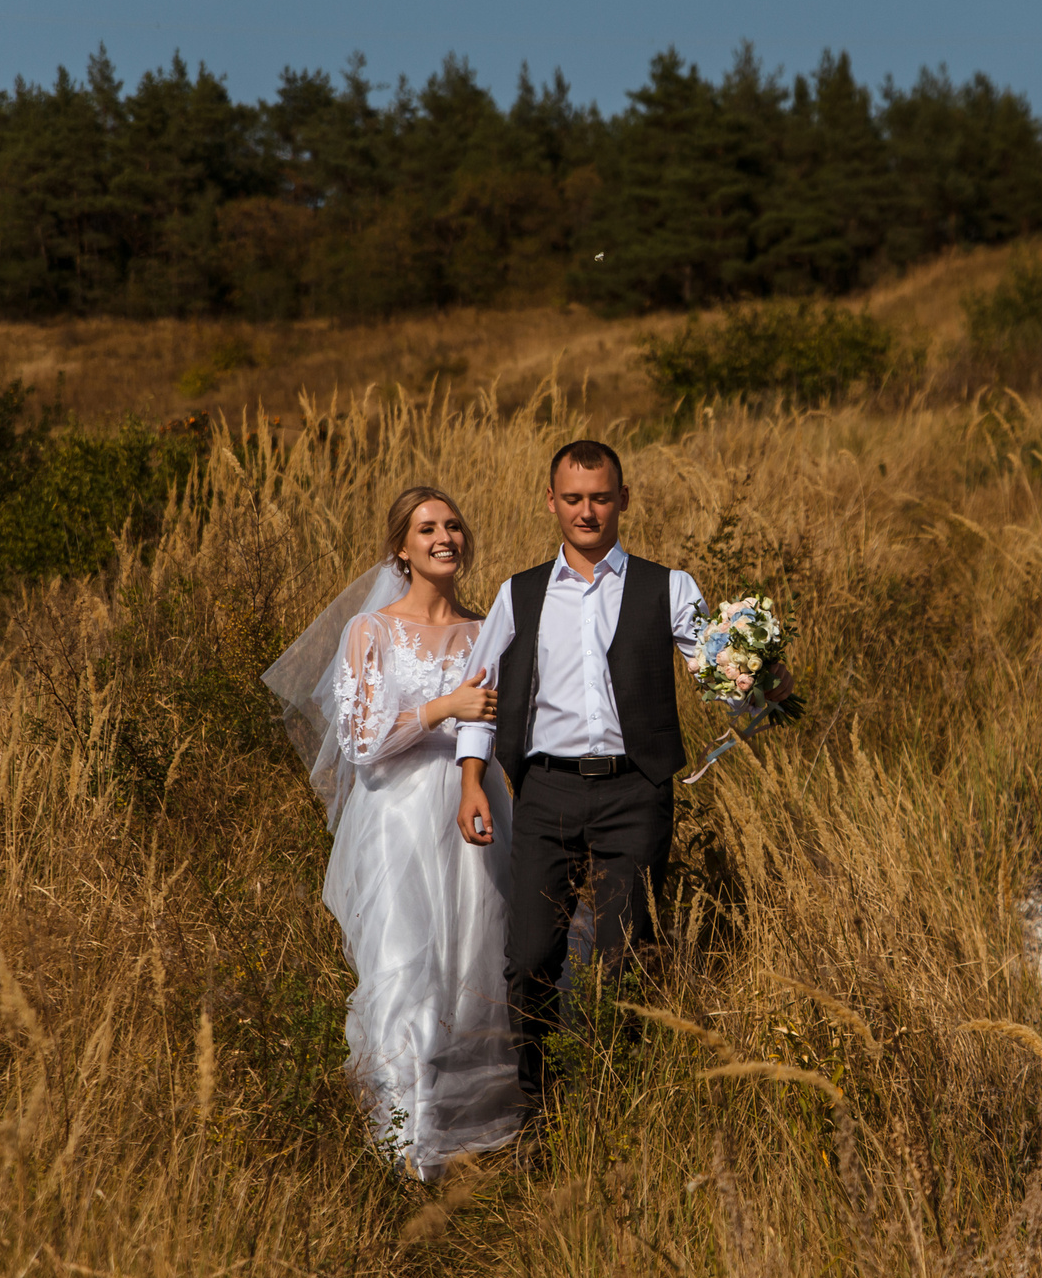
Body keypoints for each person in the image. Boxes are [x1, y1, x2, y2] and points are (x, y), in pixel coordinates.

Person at [261, 486, 523, 1173]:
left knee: (471, 966)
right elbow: (360, 740)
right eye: (426, 528)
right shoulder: (371, 631)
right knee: (404, 966)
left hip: (472, 808)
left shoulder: (486, 629)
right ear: (401, 549)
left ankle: (465, 1130)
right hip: (398, 819)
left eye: (453, 525)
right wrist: (445, 705)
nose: (444, 537)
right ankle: (403, 1142)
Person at [452, 440, 712, 1108]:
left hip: (636, 790)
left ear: (623, 499)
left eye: (600, 497)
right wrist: (472, 779)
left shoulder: (670, 587)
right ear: (551, 502)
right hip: (547, 791)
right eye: (573, 498)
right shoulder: (520, 592)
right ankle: (540, 1108)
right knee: (530, 957)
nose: (587, 511)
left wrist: (761, 681)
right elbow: (482, 692)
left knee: (623, 958)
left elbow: (717, 673)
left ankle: (613, 1104)